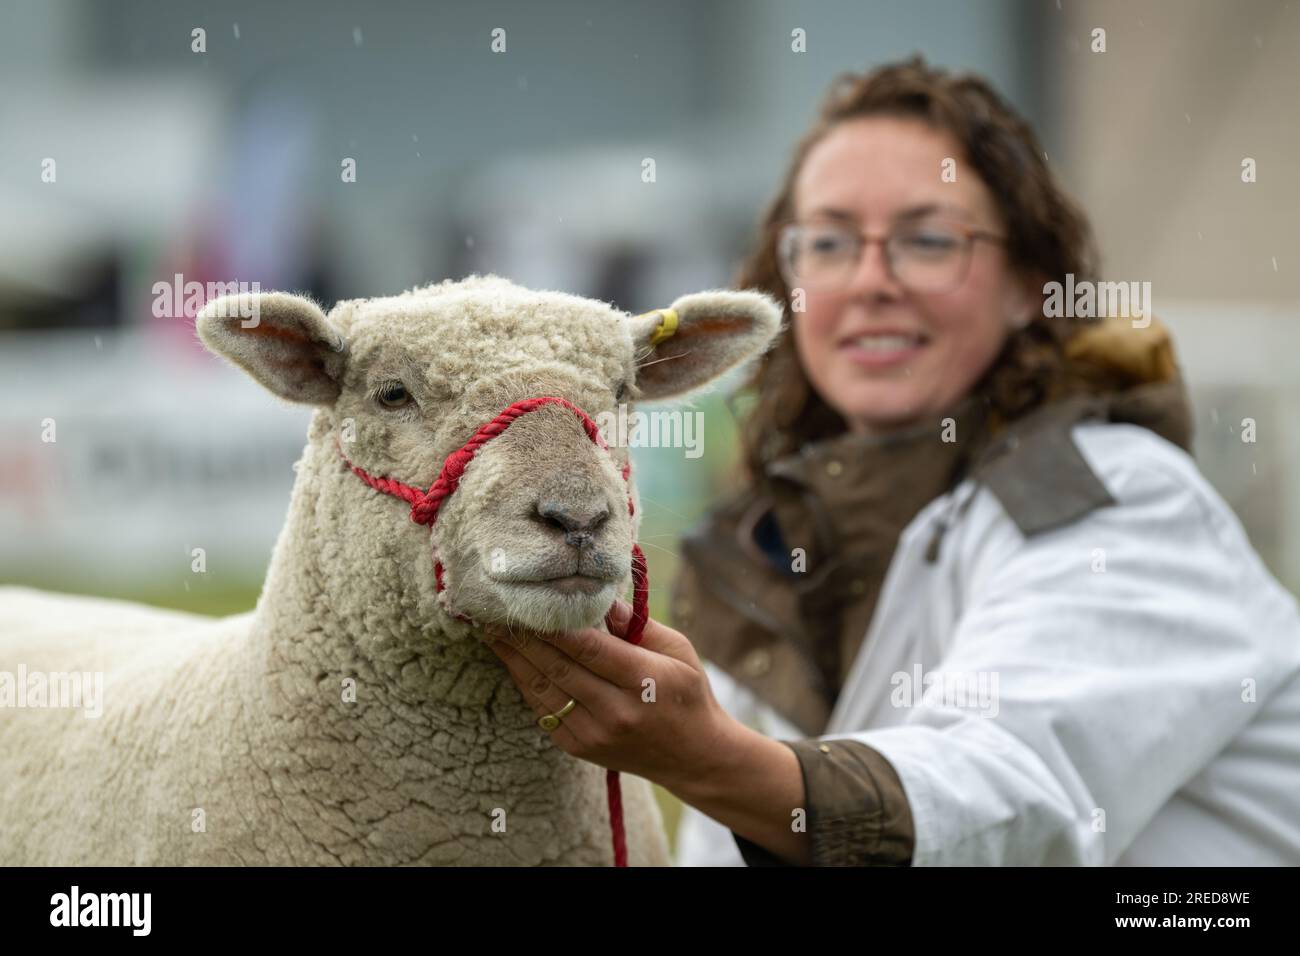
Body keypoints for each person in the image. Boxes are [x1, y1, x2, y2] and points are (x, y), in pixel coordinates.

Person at [484, 56, 1300, 865]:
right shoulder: (771, 550)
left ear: (1027, 284)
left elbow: (1012, 804)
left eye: (929, 239)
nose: (872, 279)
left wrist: (709, 758)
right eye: (831, 242)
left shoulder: (1120, 500)